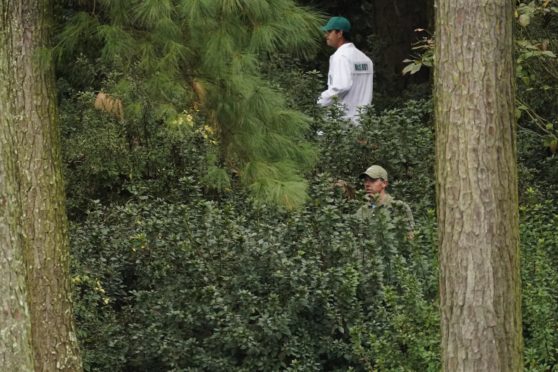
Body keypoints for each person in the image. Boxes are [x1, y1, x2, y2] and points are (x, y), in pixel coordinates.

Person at [317, 16, 373, 124]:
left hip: (341, 124)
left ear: (340, 33)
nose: (326, 35)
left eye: (329, 32)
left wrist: (320, 101)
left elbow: (340, 87)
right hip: (361, 122)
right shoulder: (366, 60)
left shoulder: (341, 57)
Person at [355, 165, 415, 239]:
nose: (367, 184)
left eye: (372, 180)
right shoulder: (362, 212)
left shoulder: (399, 207)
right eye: (365, 180)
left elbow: (409, 239)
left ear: (384, 183)